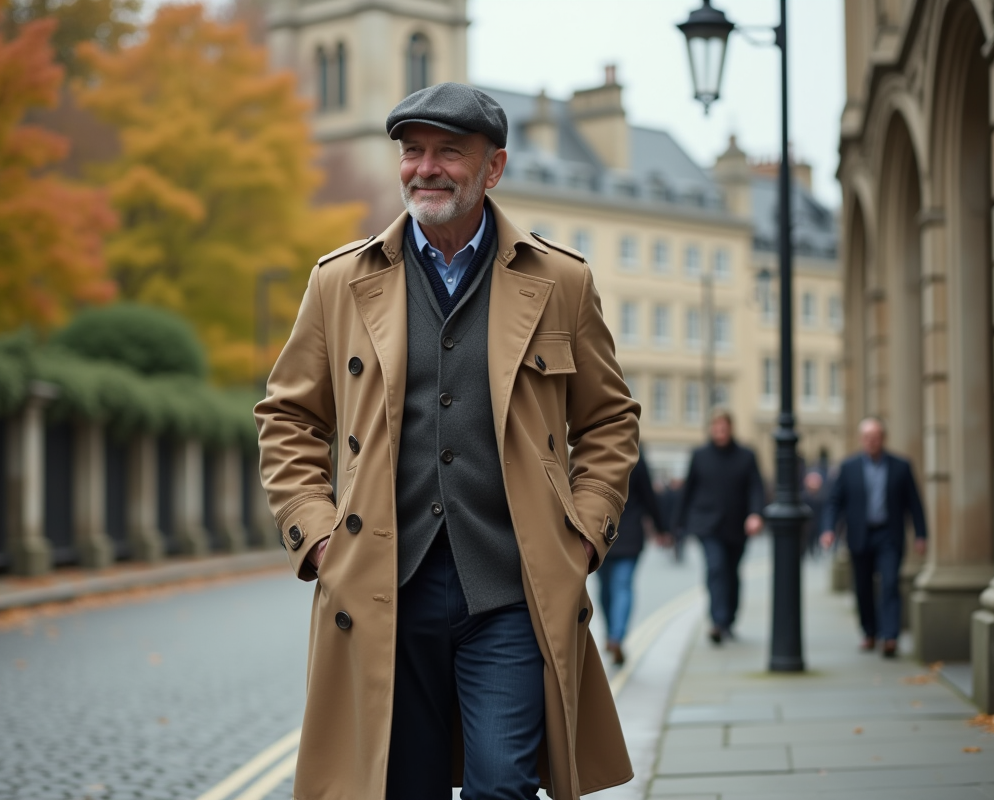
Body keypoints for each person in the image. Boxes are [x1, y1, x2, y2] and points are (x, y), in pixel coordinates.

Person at [255, 82, 640, 800]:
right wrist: (317, 535)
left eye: (448, 153)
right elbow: (288, 418)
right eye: (413, 151)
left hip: (511, 591)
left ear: (492, 168)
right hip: (380, 593)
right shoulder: (340, 281)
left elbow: (610, 420)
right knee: (402, 788)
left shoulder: (561, 281)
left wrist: (583, 535)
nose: (425, 168)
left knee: (503, 787)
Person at [820, 417, 926, 658]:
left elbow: (914, 503)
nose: (872, 442)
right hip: (860, 535)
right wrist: (828, 530)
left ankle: (890, 636)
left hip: (889, 534)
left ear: (883, 439)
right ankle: (869, 632)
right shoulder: (849, 467)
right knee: (863, 587)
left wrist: (921, 534)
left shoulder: (901, 466)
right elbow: (834, 502)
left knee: (890, 583)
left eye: (876, 438)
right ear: (861, 440)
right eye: (867, 438)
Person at [674, 409, 765, 644]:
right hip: (707, 525)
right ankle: (717, 621)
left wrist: (755, 514)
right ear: (711, 429)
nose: (720, 432)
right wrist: (678, 523)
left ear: (731, 428)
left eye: (723, 427)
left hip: (737, 526)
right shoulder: (700, 455)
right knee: (715, 568)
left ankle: (729, 619)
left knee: (731, 573)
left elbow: (756, 487)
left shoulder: (746, 455)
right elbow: (688, 490)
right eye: (716, 427)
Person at [599, 454, 667, 666]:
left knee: (606, 588)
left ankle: (612, 634)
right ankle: (616, 636)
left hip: (599, 531)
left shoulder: (595, 449)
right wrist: (661, 528)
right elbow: (649, 496)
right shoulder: (635, 454)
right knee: (622, 586)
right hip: (629, 534)